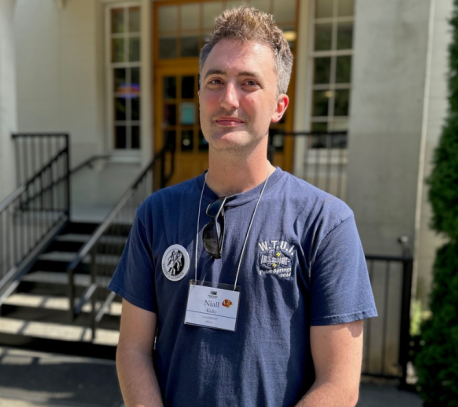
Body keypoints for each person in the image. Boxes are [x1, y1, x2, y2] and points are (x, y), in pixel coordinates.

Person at [109, 6, 376, 407]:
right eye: (215, 81)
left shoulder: (326, 222)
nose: (228, 99)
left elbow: (339, 384)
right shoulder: (156, 214)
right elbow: (132, 350)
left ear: (279, 106)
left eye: (249, 82)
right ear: (199, 97)